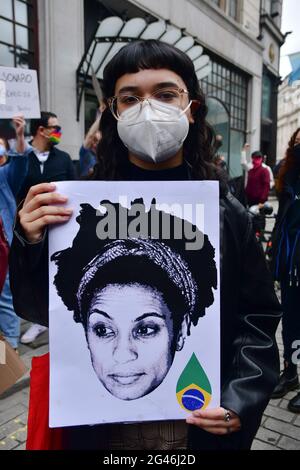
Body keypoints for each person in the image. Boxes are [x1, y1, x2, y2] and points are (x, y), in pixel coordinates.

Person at [10, 40, 281, 450]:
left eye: (165, 94)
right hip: (96, 433)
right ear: (113, 112)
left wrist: (238, 401)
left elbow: (257, 319)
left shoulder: (226, 211)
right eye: (130, 98)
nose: (148, 107)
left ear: (192, 107)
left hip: (194, 430)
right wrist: (29, 241)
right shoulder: (75, 209)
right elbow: (38, 311)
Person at [51, 200, 217, 401]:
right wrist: (30, 241)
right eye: (102, 330)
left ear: (181, 330)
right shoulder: (72, 195)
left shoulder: (222, 207)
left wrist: (238, 406)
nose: (123, 354)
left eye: (145, 329)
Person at [19, 111, 76, 345]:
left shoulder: (63, 158)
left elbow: (75, 186)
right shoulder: (22, 158)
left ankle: (48, 319)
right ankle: (35, 318)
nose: (58, 132)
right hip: (29, 227)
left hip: (58, 225)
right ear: (41, 130)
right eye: (55, 127)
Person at [271, 127, 300, 412]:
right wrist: (274, 255)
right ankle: (291, 373)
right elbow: (282, 221)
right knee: (291, 323)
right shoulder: (288, 175)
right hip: (290, 264)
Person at [0, 117, 29, 349]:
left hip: (2, 248)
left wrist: (19, 136)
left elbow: (19, 164)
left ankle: (9, 349)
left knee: (5, 297)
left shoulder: (4, 177)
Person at [79, 105, 105, 177]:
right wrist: (102, 114)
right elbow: (90, 135)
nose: (94, 143)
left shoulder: (104, 156)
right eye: (93, 140)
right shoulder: (85, 153)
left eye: (97, 141)